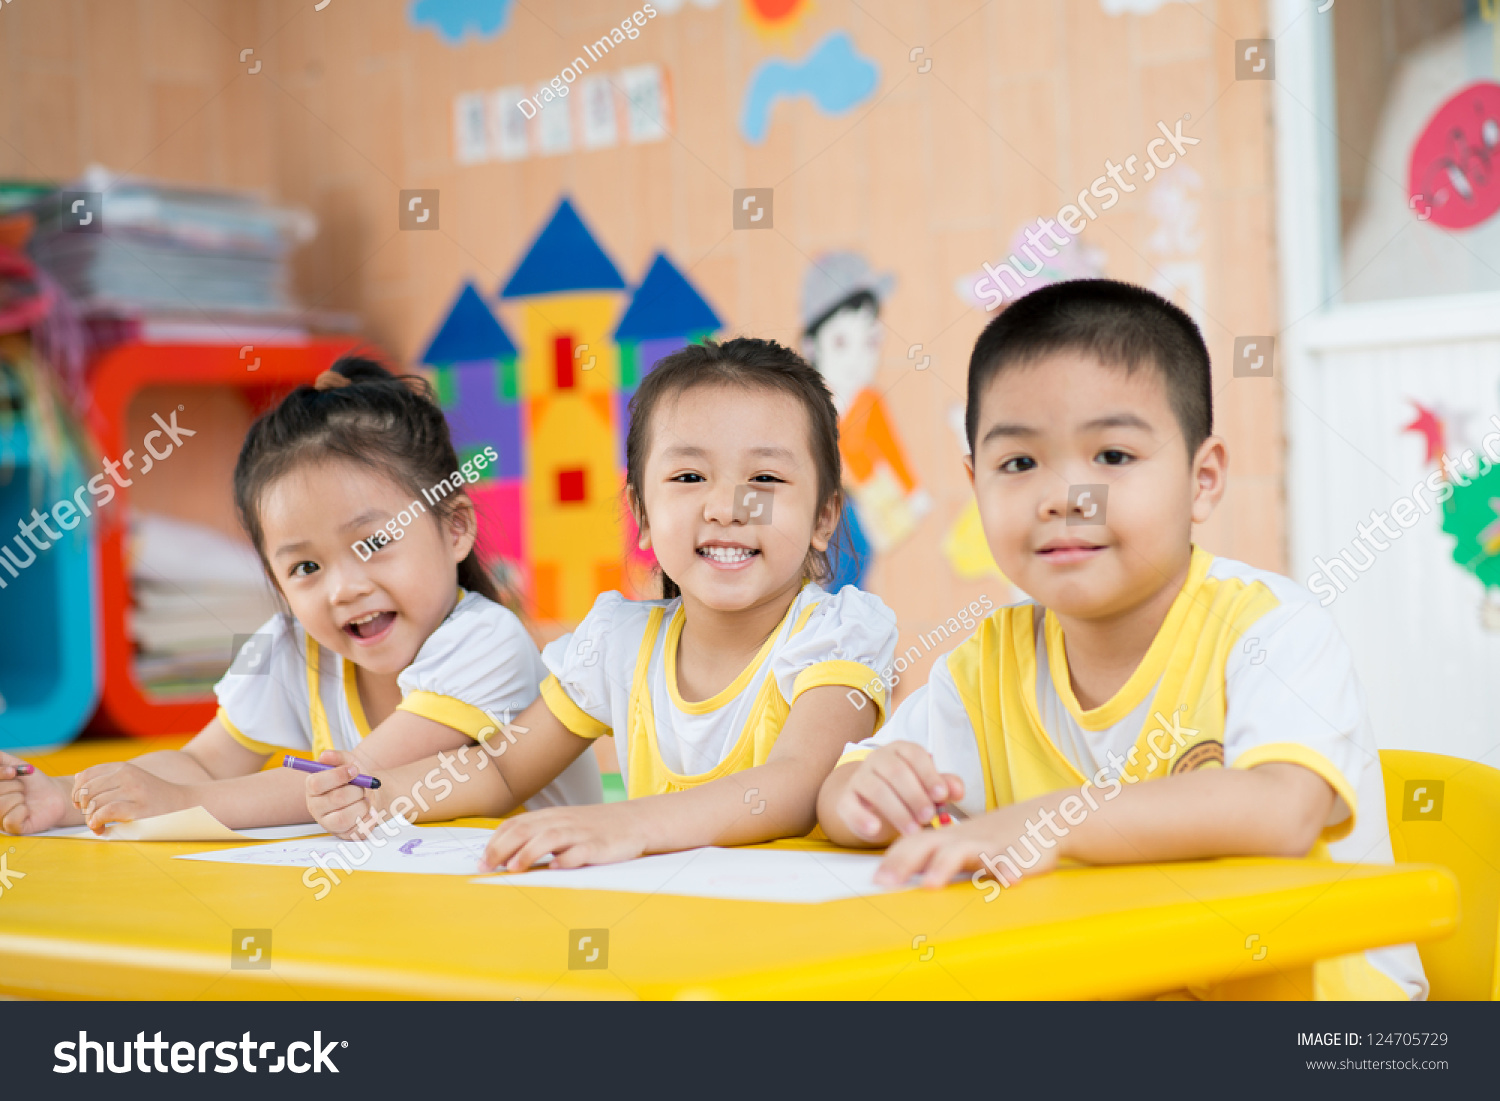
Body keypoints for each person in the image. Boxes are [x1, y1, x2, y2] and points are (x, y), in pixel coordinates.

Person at [817, 279, 1428, 1000]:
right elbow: (841, 791)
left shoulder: (1272, 630)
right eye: (1019, 463)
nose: (1065, 495)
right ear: (976, 481)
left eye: (1112, 456)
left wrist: (1050, 823)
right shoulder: (983, 667)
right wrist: (870, 792)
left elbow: (1283, 809)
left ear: (1202, 479)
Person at [306, 338, 898, 874]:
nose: (725, 507)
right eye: (689, 477)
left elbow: (793, 785)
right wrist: (379, 795)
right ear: (641, 515)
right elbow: (503, 769)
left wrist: (629, 824)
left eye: (764, 477)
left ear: (824, 516)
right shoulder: (619, 642)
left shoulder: (838, 636)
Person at [0, 356, 599, 834]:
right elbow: (205, 761)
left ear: (454, 528)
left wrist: (180, 803)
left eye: (373, 543)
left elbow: (355, 779)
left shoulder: (484, 639)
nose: (345, 587)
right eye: (306, 566)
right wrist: (70, 796)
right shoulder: (291, 648)